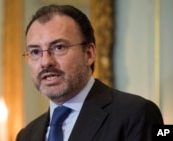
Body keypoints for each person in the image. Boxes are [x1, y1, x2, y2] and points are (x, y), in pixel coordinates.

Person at [16, 4, 163, 141]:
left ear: (89, 54)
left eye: (59, 47)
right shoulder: (26, 135)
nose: (45, 62)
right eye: (35, 51)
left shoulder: (138, 114)